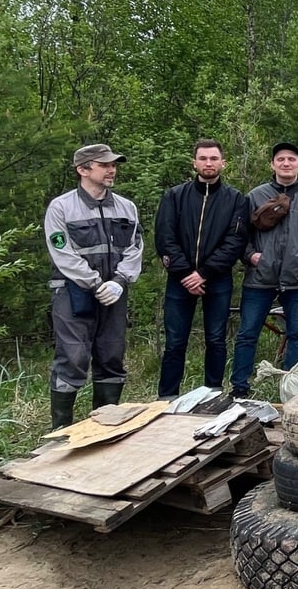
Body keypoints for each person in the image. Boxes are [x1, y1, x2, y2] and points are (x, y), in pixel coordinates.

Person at [44, 144, 144, 428]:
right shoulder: (61, 207)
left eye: (113, 165)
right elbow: (61, 252)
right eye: (104, 165)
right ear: (83, 169)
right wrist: (96, 283)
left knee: (111, 355)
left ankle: (104, 427)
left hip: (115, 292)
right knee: (73, 356)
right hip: (72, 291)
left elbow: (136, 247)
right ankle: (61, 430)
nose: (112, 170)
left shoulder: (126, 207)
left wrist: (120, 281)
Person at [230, 142, 298, 398]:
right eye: (280, 159)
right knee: (247, 334)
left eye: (291, 159)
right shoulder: (255, 195)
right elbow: (239, 234)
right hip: (260, 278)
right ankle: (239, 389)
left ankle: (292, 392)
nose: (286, 163)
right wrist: (251, 256)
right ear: (272, 164)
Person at [154, 138, 248, 398]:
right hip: (179, 280)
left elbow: (235, 241)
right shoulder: (174, 196)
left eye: (214, 159)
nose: (209, 163)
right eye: (203, 158)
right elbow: (165, 237)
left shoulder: (236, 199)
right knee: (175, 342)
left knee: (216, 339)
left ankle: (213, 394)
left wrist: (204, 273)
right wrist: (186, 273)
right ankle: (167, 397)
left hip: (217, 280)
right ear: (194, 162)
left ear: (223, 163)